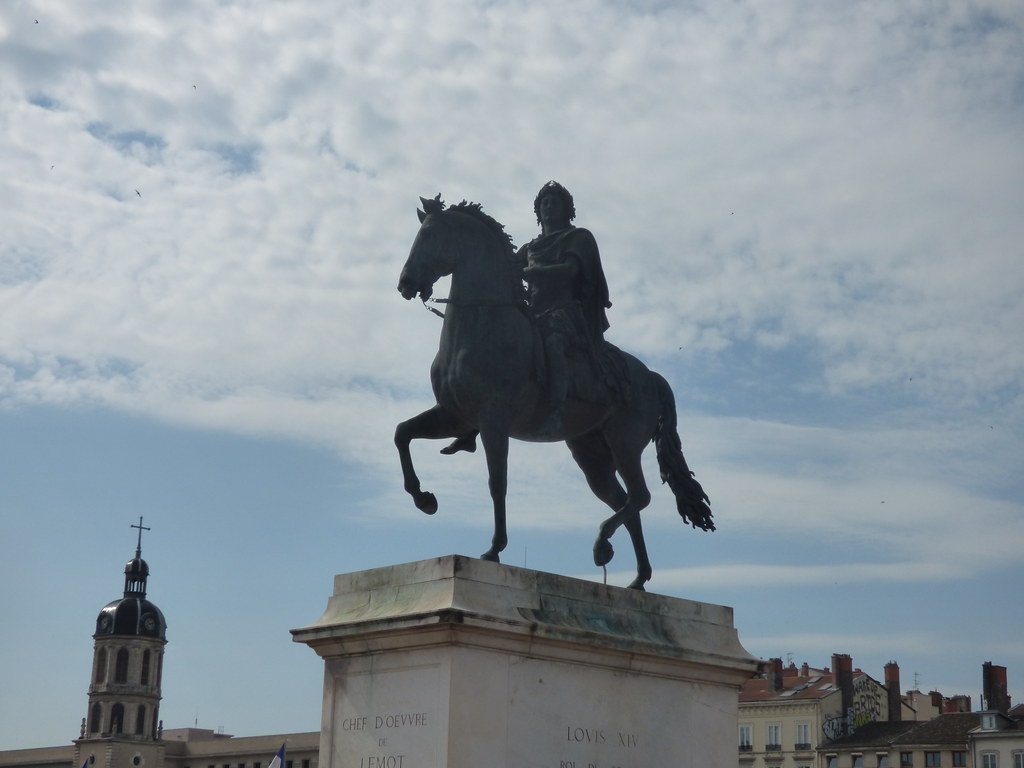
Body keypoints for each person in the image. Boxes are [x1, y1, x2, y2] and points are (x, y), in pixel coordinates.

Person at [441, 181, 611, 453]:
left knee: (554, 344)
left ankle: (555, 410)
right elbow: (505, 269)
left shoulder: (577, 237)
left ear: (567, 209)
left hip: (563, 311)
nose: (549, 206)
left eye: (555, 202)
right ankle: (471, 424)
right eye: (544, 203)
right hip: (532, 312)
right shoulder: (530, 247)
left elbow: (570, 271)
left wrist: (536, 274)